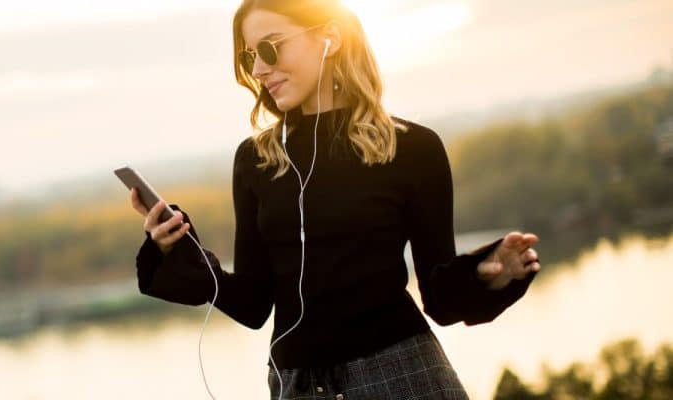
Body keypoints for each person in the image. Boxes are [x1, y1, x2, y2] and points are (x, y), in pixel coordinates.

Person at [128, 0, 541, 398]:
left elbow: (440, 298)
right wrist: (179, 249)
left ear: (330, 36)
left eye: (270, 47)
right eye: (248, 56)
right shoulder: (255, 161)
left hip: (402, 380)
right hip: (297, 388)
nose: (258, 69)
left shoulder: (412, 148)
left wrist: (486, 274)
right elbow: (252, 304)